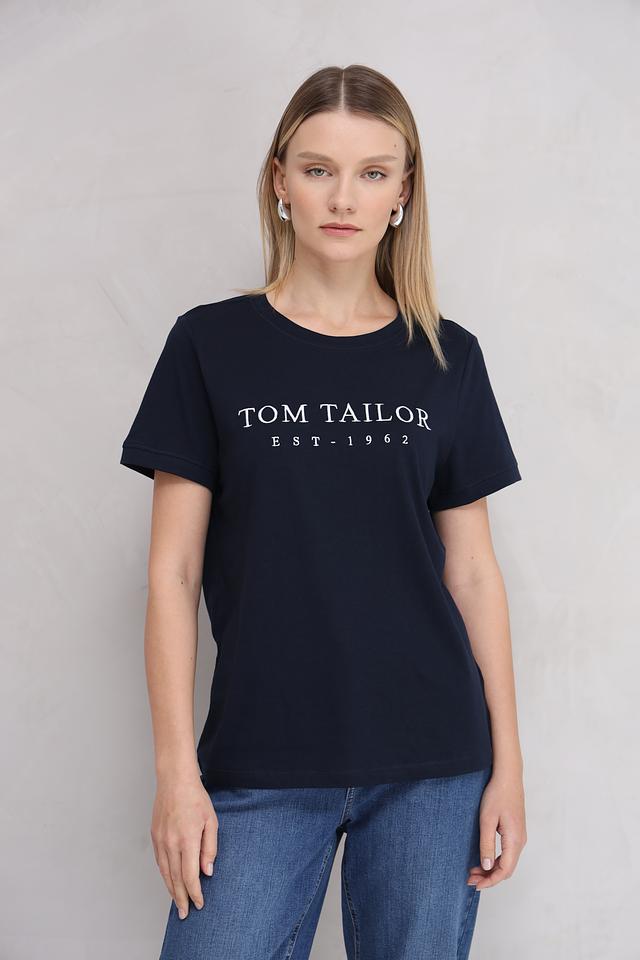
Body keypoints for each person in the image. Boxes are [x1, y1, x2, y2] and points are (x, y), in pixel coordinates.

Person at [120, 63, 527, 960]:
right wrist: (176, 773)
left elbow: (472, 573)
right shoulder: (209, 345)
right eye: (318, 169)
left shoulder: (447, 357)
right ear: (280, 181)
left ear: (403, 193)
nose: (344, 198)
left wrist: (509, 765)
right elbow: (172, 574)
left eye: (373, 172)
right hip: (260, 758)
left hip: (433, 761)